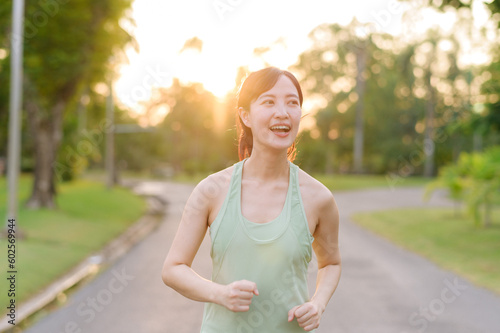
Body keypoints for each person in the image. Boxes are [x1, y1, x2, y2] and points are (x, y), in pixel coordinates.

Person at [162, 67, 341, 332]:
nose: (282, 112)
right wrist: (219, 293)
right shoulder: (211, 190)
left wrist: (318, 303)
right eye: (268, 101)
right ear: (245, 115)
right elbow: (173, 269)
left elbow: (331, 263)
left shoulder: (318, 198)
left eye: (292, 103)